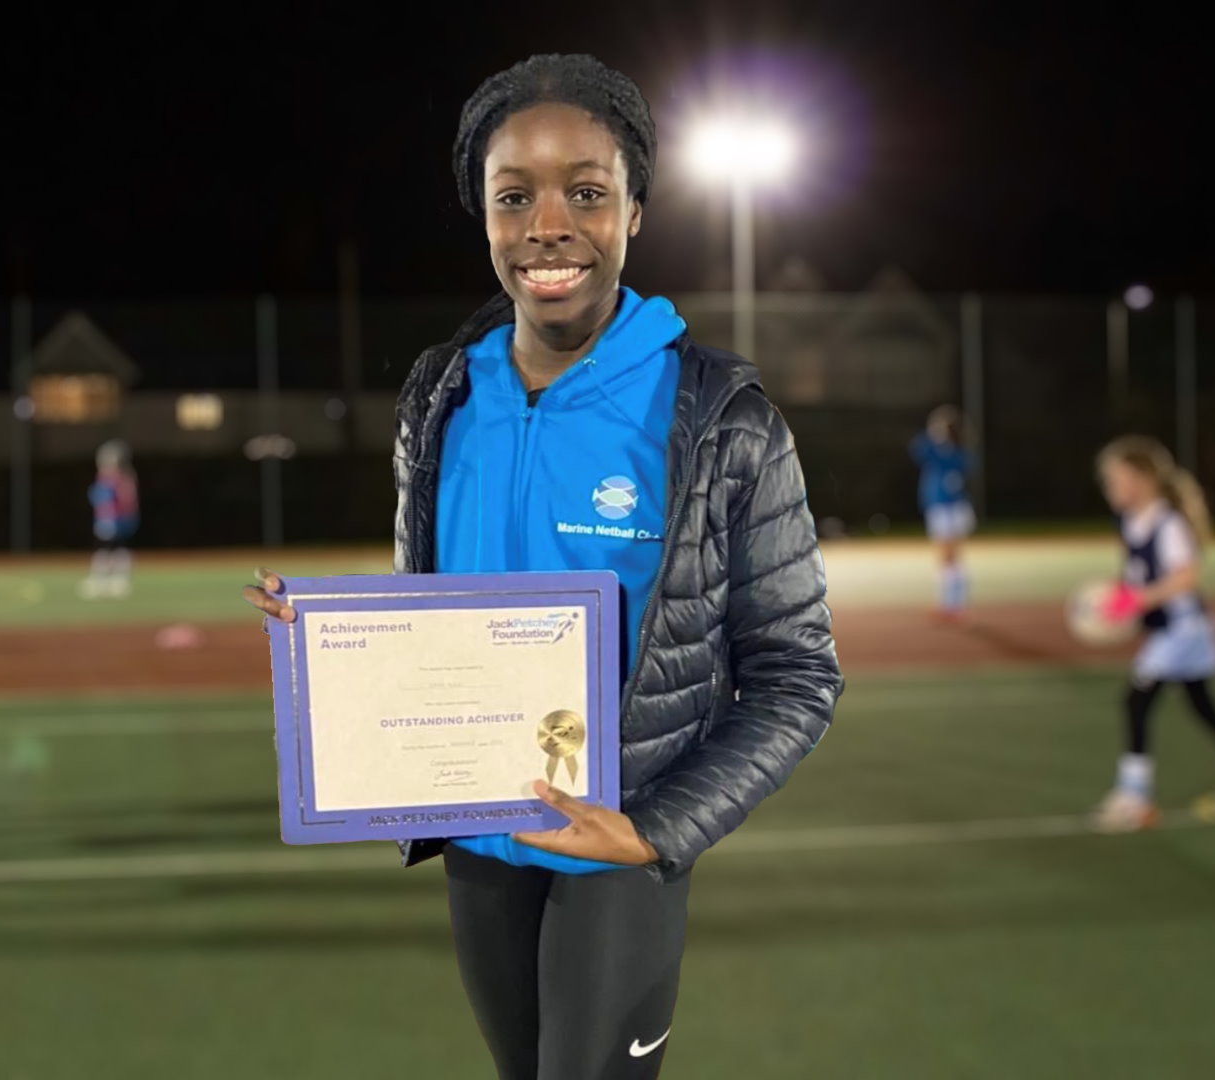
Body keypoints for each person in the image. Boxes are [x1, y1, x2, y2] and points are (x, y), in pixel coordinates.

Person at [243, 54, 841, 1080]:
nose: (547, 225)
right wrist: (341, 655)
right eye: (513, 196)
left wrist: (654, 832)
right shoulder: (440, 397)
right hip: (479, 841)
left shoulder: (724, 422)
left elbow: (797, 677)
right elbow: (431, 616)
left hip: (617, 848)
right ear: (482, 215)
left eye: (586, 193)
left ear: (636, 211)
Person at [1090, 436, 1215, 833]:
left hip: (1183, 631)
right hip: (1176, 630)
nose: (1110, 488)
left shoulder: (1168, 523)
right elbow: (1138, 577)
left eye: (1116, 479)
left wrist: (1139, 600)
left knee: (1136, 701)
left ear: (1141, 480)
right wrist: (1118, 603)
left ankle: (1134, 798)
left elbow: (1187, 577)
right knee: (1203, 705)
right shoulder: (1129, 521)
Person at [909, 405, 974, 621]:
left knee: (949, 558)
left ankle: (953, 604)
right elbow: (916, 448)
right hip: (943, 508)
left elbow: (959, 465)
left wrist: (937, 436)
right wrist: (933, 433)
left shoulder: (954, 452)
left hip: (950, 509)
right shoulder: (938, 449)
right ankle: (951, 604)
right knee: (949, 559)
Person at [83, 439, 139, 598]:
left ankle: (113, 580)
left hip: (114, 520)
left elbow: (121, 502)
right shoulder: (114, 478)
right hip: (111, 520)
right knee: (111, 549)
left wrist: (111, 519)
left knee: (110, 549)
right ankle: (107, 579)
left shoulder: (118, 479)